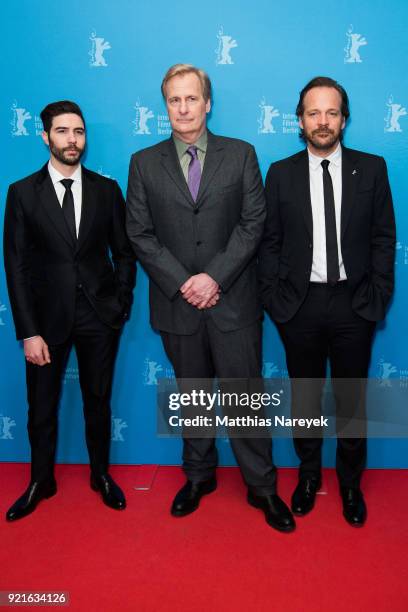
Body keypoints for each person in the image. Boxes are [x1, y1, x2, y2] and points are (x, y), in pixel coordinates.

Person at [126, 64, 294, 532]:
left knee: (245, 399)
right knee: (192, 396)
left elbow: (253, 223)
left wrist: (213, 277)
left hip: (233, 301)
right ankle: (198, 478)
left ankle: (262, 488)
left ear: (208, 103)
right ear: (166, 107)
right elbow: (139, 233)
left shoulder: (241, 155)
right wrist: (185, 282)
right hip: (177, 302)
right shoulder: (143, 162)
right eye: (174, 101)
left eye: (191, 99)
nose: (183, 108)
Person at [257, 77, 396, 526]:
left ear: (344, 119)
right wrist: (276, 301)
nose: (322, 121)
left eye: (331, 112)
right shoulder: (280, 173)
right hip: (299, 306)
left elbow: (382, 238)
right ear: (300, 120)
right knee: (305, 399)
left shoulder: (372, 169)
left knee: (352, 400)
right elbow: (269, 243)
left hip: (355, 305)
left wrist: (377, 296)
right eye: (313, 113)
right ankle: (309, 476)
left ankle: (351, 485)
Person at [3, 100, 136, 521]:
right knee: (41, 405)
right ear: (45, 137)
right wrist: (28, 331)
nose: (72, 140)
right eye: (62, 131)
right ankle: (41, 480)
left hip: (99, 317)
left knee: (98, 401)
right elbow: (16, 267)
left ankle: (101, 475)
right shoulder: (22, 193)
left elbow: (125, 254)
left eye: (78, 131)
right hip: (45, 322)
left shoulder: (106, 190)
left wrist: (120, 305)